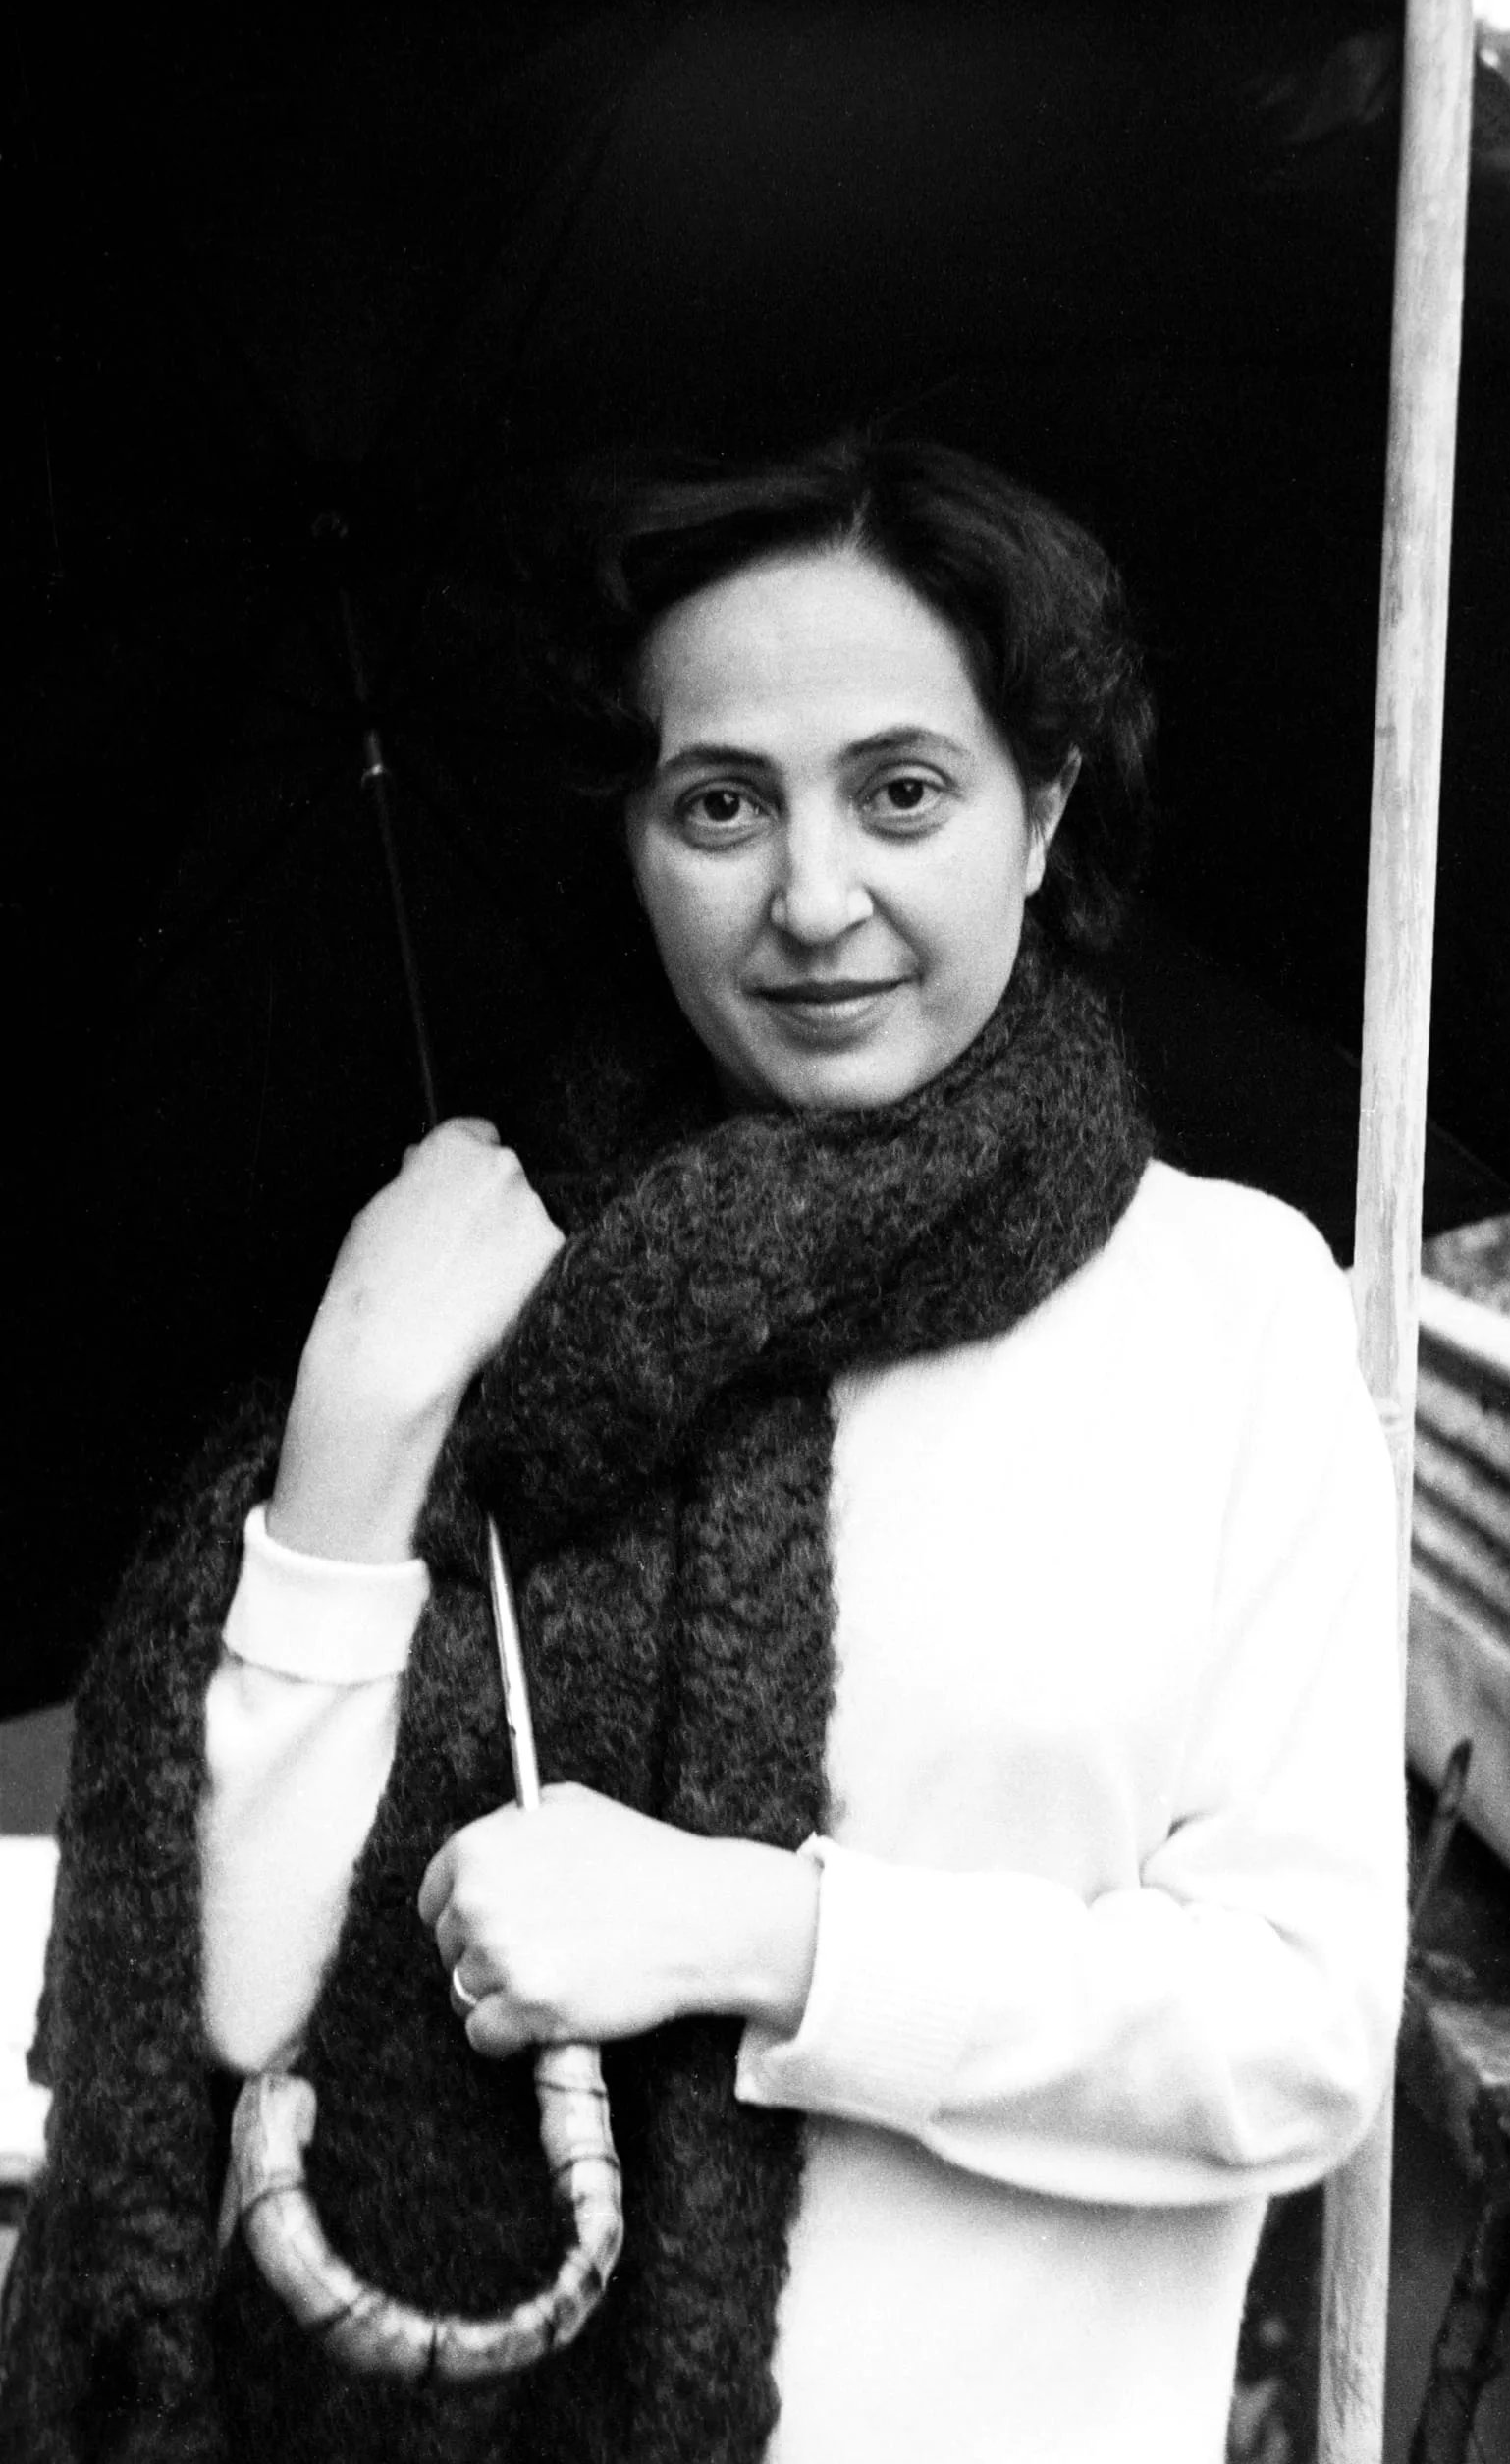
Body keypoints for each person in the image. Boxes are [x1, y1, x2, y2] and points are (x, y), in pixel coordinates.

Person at [0, 434, 1405, 2464]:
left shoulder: (1224, 1306)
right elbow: (230, 2011)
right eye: (721, 804)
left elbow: (1296, 2031)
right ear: (637, 838)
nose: (812, 900)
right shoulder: (491, 1283)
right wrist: (359, 1422)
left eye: (900, 791)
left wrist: (754, 1931)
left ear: (1041, 812)